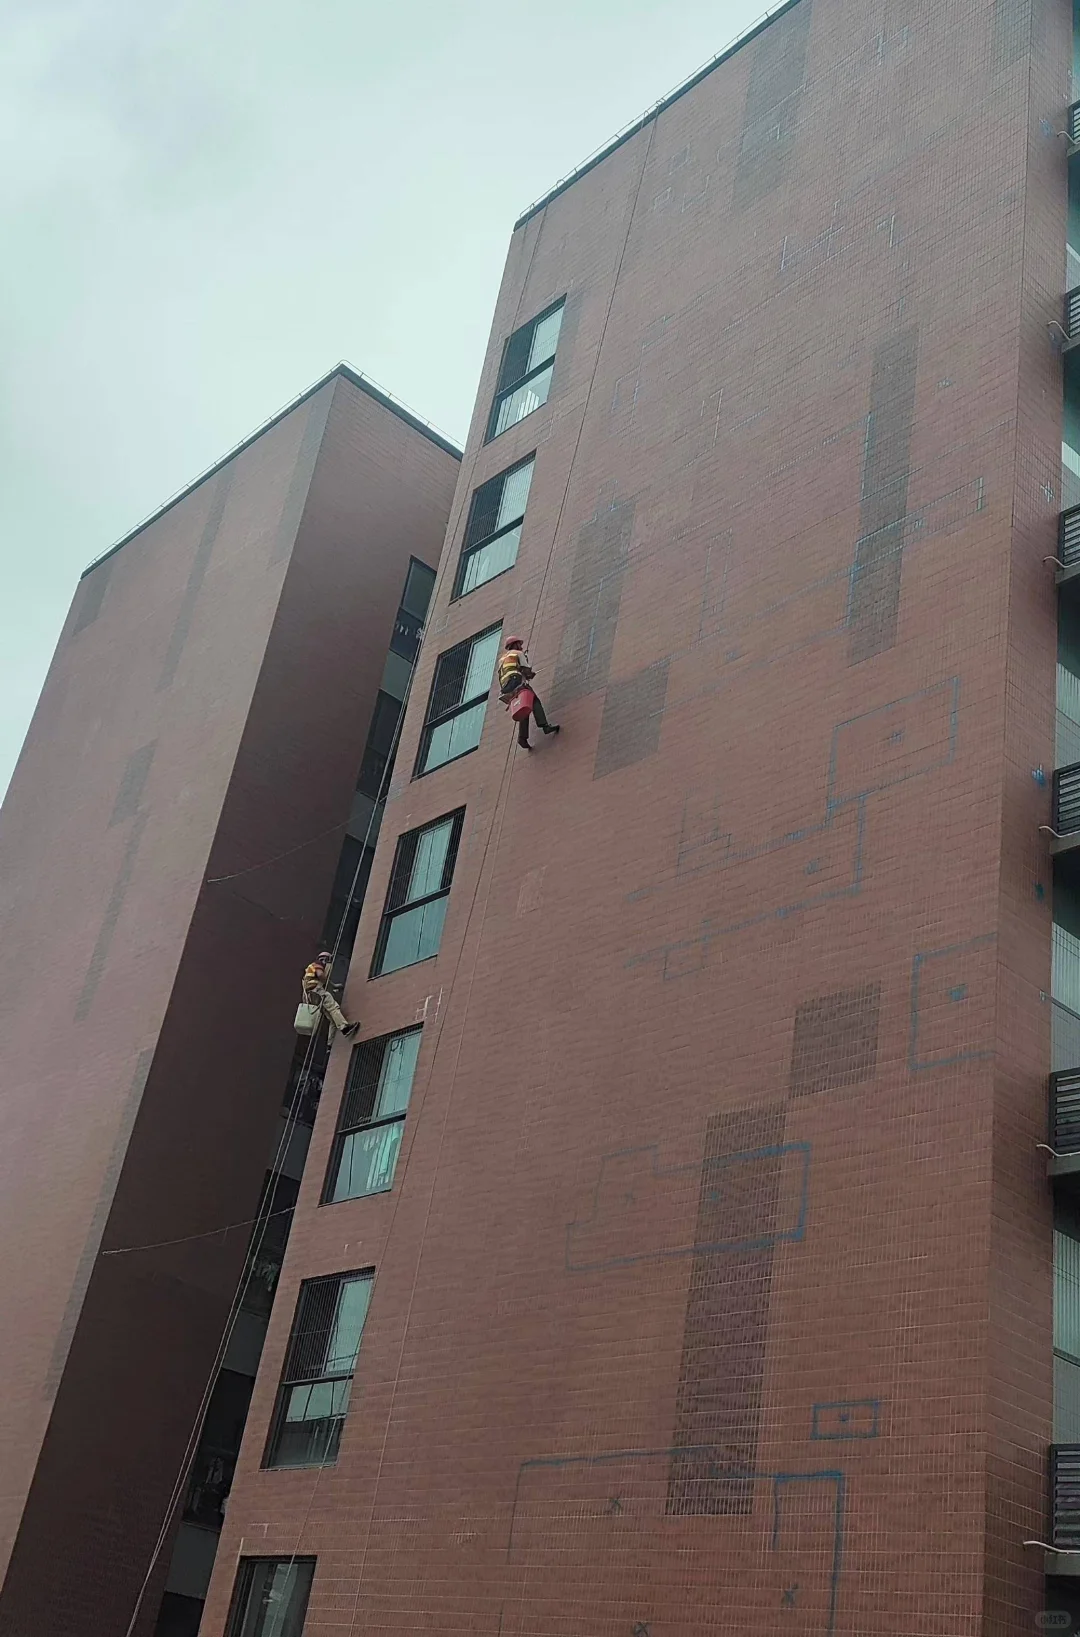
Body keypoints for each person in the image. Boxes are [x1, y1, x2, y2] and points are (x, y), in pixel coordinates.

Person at [497, 638, 560, 750]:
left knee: (524, 706)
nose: (521, 647)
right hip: (515, 680)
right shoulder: (518, 653)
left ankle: (522, 738)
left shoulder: (502, 659)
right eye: (519, 645)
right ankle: (544, 726)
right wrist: (530, 674)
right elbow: (526, 669)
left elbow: (503, 673)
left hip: (505, 687)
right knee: (534, 699)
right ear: (515, 645)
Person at [302, 952, 359, 1036]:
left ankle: (329, 1045)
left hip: (313, 995)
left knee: (332, 1019)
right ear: (324, 958)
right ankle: (344, 1028)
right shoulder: (318, 964)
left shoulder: (310, 968)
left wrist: (334, 986)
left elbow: (322, 981)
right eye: (329, 959)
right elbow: (321, 975)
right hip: (317, 991)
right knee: (333, 1007)